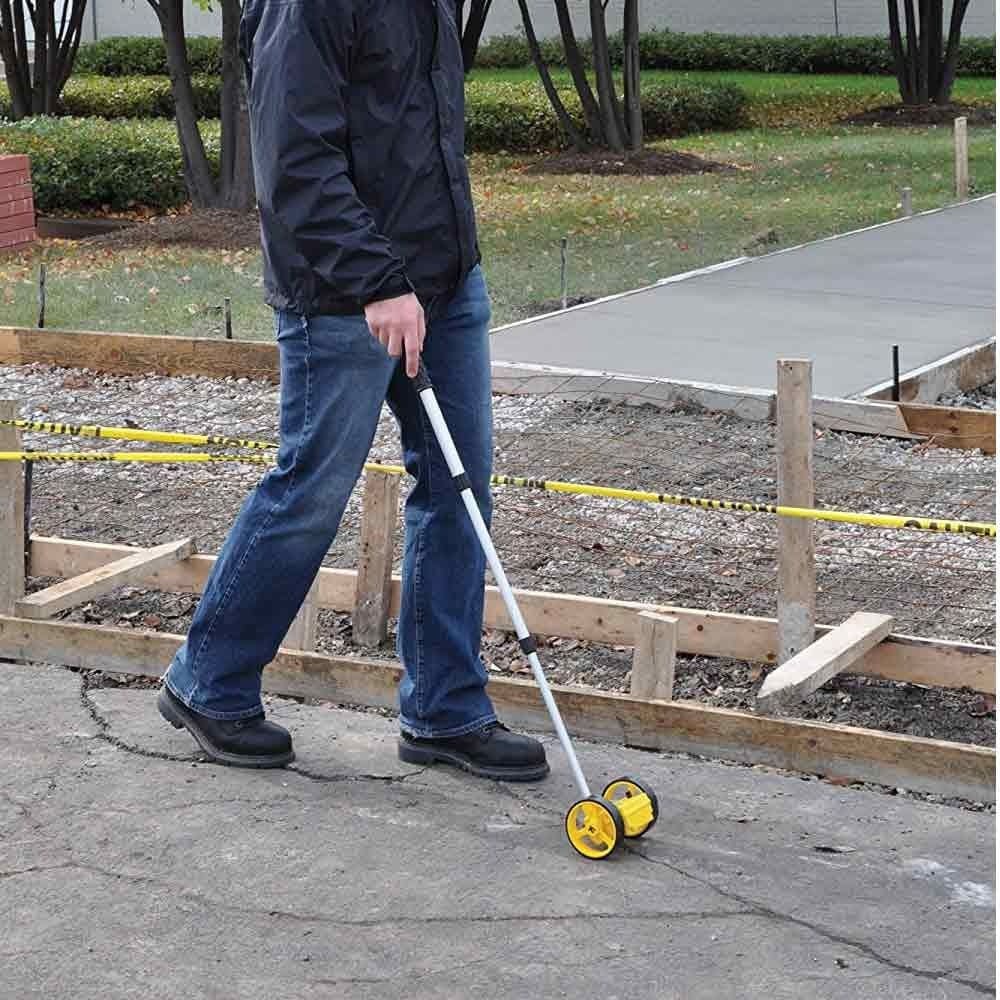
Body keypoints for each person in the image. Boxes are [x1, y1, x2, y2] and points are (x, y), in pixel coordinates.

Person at [156, 0, 548, 782]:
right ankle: (209, 681)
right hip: (345, 296)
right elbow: (292, 156)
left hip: (443, 281)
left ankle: (445, 711)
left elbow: (418, 132)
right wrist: (377, 280)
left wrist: (447, 267)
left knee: (459, 487)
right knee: (311, 489)